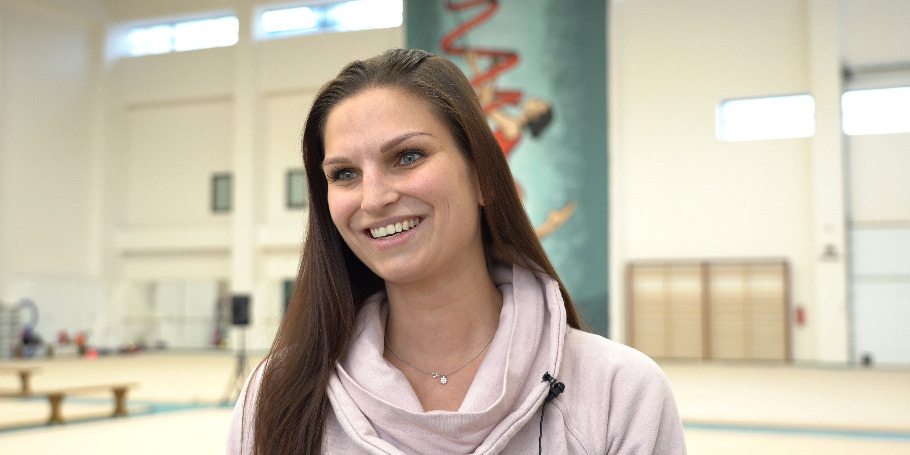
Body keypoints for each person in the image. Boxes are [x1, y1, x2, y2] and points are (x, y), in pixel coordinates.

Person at [227, 48, 686, 454]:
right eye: (344, 174)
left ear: (484, 177)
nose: (374, 198)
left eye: (408, 156)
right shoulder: (276, 399)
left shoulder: (620, 393)